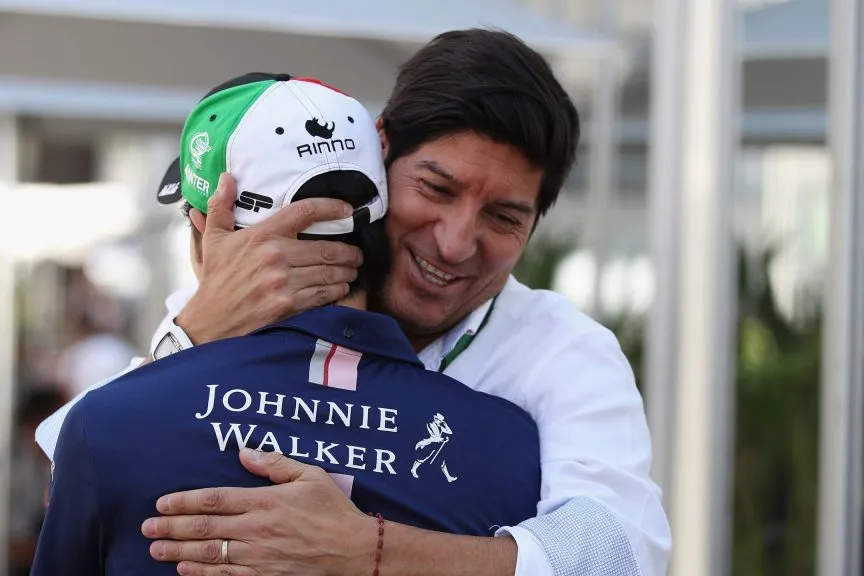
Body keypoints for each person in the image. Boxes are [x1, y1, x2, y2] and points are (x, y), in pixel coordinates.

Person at [37, 29, 671, 576]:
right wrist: (194, 331)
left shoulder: (563, 352)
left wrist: (367, 549)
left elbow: (618, 554)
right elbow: (80, 466)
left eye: (503, 217)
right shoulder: (252, 293)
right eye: (436, 188)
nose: (454, 244)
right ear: (379, 148)